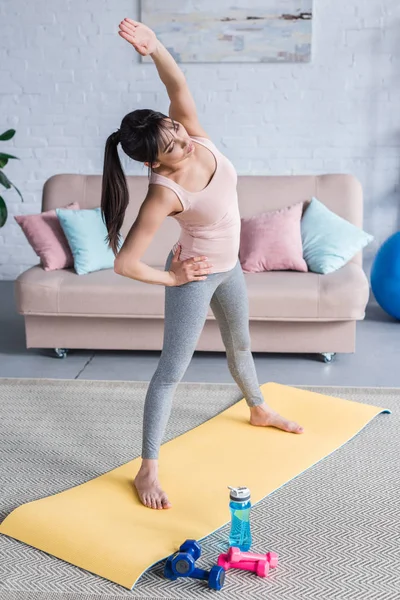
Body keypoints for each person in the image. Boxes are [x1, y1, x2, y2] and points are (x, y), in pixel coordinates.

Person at [101, 18, 304, 511]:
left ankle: (258, 408)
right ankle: (146, 468)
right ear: (152, 164)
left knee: (241, 343)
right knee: (172, 372)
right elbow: (125, 264)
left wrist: (155, 49)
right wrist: (172, 276)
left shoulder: (193, 135)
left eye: (175, 130)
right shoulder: (162, 194)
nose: (183, 140)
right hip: (195, 277)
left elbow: (177, 85)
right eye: (171, 146)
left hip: (229, 268)